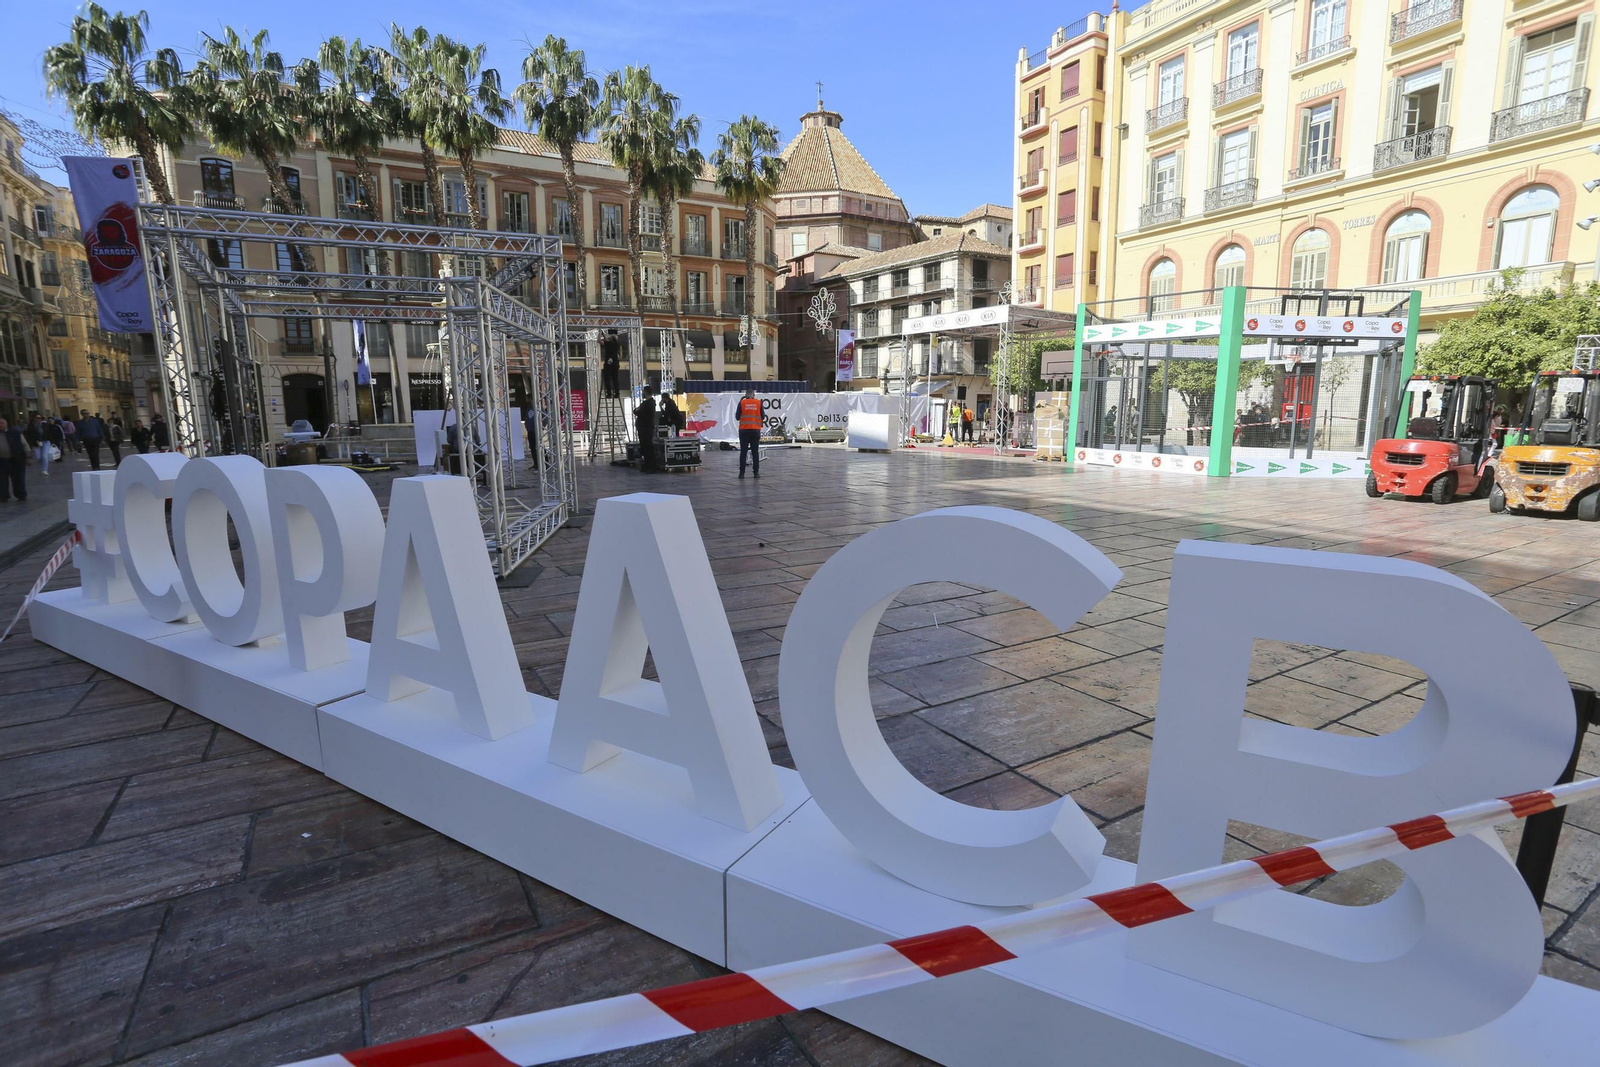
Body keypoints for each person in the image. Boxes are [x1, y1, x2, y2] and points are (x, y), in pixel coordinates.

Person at [737, 387, 762, 479]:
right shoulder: (759, 403)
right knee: (755, 452)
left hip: (744, 430)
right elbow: (762, 416)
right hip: (755, 430)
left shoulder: (742, 403)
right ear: (753, 395)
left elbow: (737, 417)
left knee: (743, 452)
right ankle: (756, 473)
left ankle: (741, 473)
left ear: (746, 395)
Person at [0, 417, 26, 502]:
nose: (1, 425)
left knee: (17, 479)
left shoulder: (15, 432)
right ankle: (4, 495)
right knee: (2, 479)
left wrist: (28, 456)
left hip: (14, 460)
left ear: (6, 423)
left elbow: (24, 444)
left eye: (2, 423)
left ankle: (20, 495)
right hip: (2, 461)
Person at [633, 385, 658, 471]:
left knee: (647, 447)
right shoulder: (649, 403)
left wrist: (636, 410)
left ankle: (651, 466)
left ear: (646, 392)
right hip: (645, 428)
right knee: (645, 447)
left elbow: (638, 411)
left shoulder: (647, 403)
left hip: (645, 428)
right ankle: (648, 465)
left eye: (643, 392)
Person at [601, 330, 622, 399]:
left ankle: (609, 394)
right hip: (615, 364)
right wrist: (604, 335)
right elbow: (607, 340)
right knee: (615, 379)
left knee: (607, 379)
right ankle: (617, 393)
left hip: (608, 365)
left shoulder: (608, 344)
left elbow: (599, 340)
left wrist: (601, 334)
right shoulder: (617, 345)